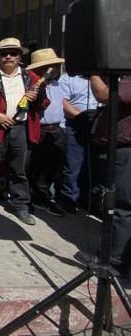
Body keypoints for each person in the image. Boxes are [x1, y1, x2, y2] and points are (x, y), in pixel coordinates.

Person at [0, 37, 49, 226]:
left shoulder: (32, 79)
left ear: (19, 57)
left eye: (13, 53)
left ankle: (20, 204)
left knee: (19, 168)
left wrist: (37, 97)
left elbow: (43, 104)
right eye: (4, 53)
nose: (8, 56)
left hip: (21, 128)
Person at [90, 75, 131, 281]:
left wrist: (94, 73)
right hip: (118, 150)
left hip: (126, 152)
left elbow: (104, 95)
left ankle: (114, 261)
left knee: (122, 205)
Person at [26, 48, 67, 217]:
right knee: (31, 165)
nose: (54, 70)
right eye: (49, 67)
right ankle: (27, 197)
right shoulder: (31, 84)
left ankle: (42, 197)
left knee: (51, 167)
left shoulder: (60, 84)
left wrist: (62, 127)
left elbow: (63, 105)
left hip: (56, 130)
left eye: (56, 66)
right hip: (38, 129)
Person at [59, 73, 99, 213]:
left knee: (96, 164)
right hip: (76, 122)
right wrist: (80, 116)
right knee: (73, 163)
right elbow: (63, 101)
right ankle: (70, 198)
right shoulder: (68, 78)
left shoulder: (104, 78)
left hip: (99, 123)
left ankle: (91, 200)